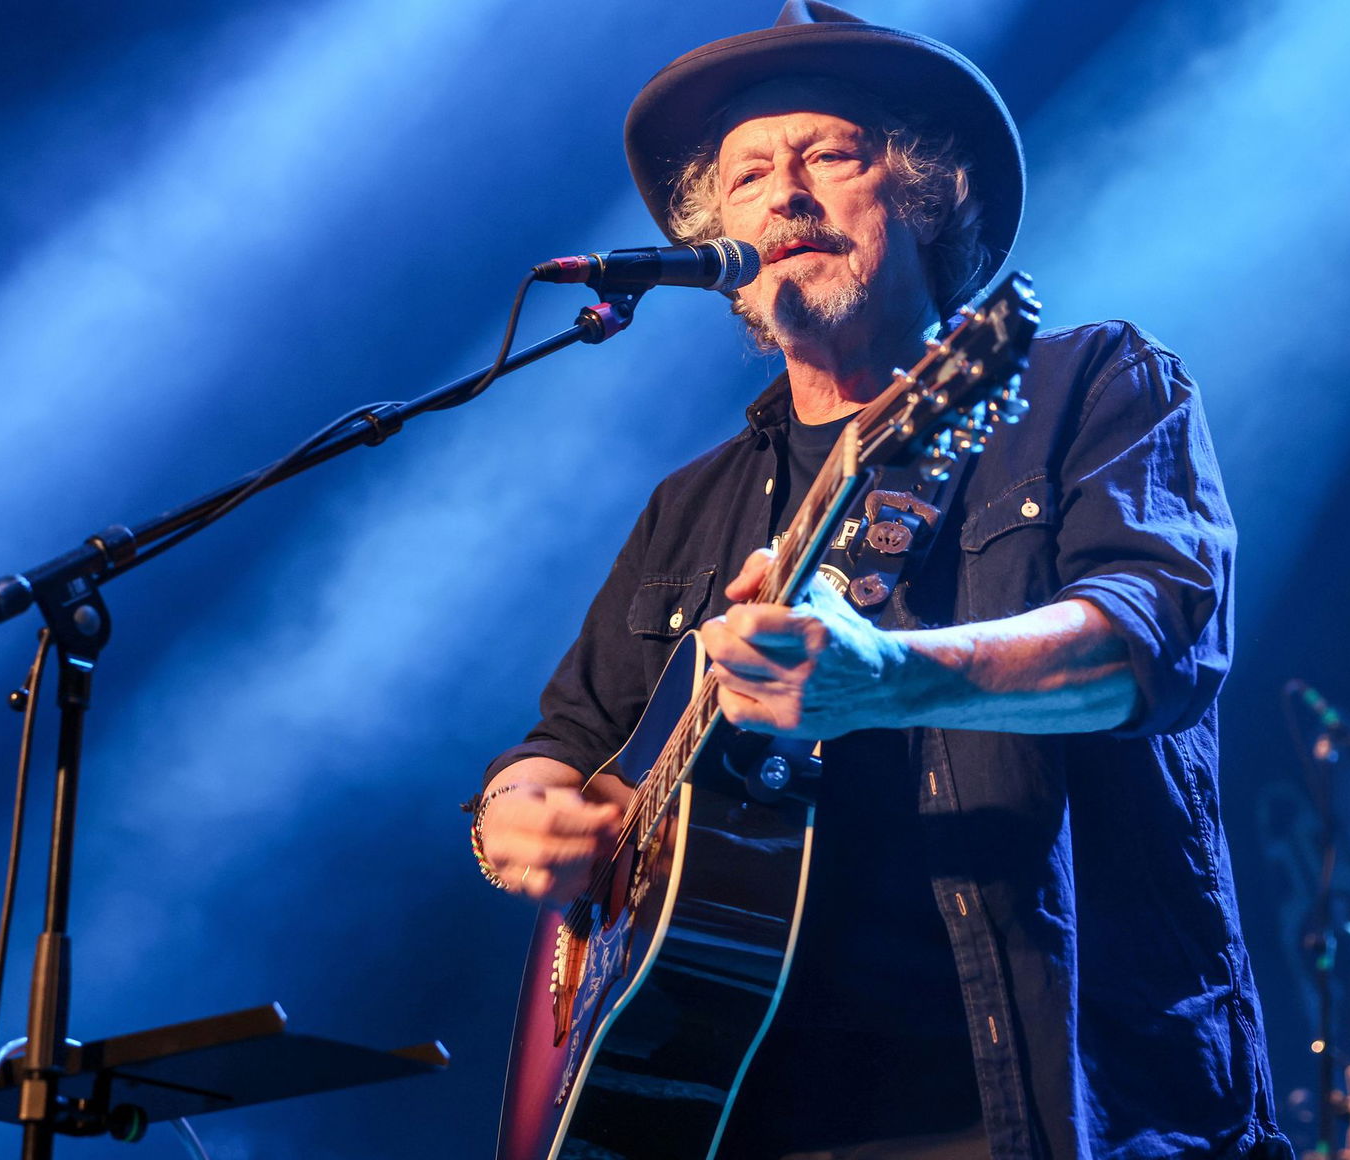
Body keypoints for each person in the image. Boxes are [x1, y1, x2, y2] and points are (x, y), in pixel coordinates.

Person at [469, 4, 1291, 1158]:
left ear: (924, 193)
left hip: (1047, 1098)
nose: (783, 196)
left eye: (829, 157)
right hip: (727, 1103)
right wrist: (519, 818)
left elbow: (1150, 644)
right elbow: (561, 739)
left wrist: (888, 679)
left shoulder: (1084, 386)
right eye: (748, 174)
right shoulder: (690, 504)